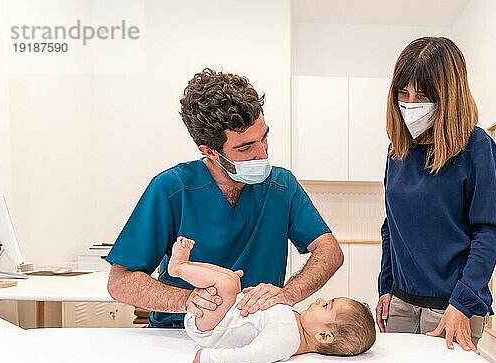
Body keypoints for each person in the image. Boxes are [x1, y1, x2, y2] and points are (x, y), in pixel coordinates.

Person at [106, 68, 344, 328]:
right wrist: (189, 301)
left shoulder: (281, 186)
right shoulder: (172, 189)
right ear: (210, 152)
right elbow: (121, 281)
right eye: (245, 147)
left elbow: (330, 251)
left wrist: (289, 293)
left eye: (264, 139)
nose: (261, 153)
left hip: (256, 330)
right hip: (180, 333)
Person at [375, 37, 496, 352]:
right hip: (402, 302)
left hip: (452, 306)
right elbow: (391, 226)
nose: (410, 104)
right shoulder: (397, 152)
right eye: (402, 94)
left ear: (448, 96)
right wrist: (385, 287)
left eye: (422, 95)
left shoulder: (477, 148)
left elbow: (487, 233)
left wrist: (463, 303)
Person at [167, 236, 375, 363]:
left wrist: (209, 359)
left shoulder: (287, 339)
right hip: (223, 316)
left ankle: (178, 268)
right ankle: (186, 264)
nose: (320, 300)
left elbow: (250, 356)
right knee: (232, 279)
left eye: (326, 305)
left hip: (214, 328)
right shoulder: (295, 325)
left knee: (227, 283)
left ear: (323, 335)